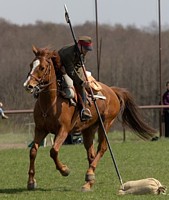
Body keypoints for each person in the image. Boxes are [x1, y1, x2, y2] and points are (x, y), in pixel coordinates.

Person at [58, 36, 93, 121]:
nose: (86, 52)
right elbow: (70, 71)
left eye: (87, 49)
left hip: (73, 68)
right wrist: (81, 82)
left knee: (84, 82)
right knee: (79, 84)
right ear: (79, 45)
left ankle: (83, 109)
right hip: (61, 69)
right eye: (85, 49)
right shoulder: (68, 53)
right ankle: (82, 109)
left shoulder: (82, 52)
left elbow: (79, 66)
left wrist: (84, 80)